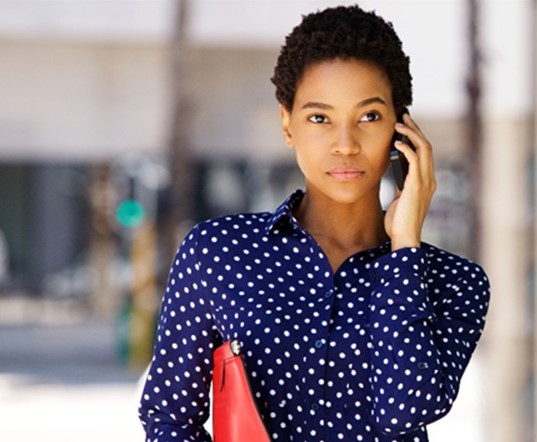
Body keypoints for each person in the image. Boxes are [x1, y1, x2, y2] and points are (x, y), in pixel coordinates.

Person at [138, 6, 490, 441]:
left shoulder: (453, 282)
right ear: (287, 124)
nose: (345, 144)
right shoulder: (218, 253)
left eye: (369, 117)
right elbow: (169, 417)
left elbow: (405, 410)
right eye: (319, 118)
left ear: (401, 129)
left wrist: (404, 249)